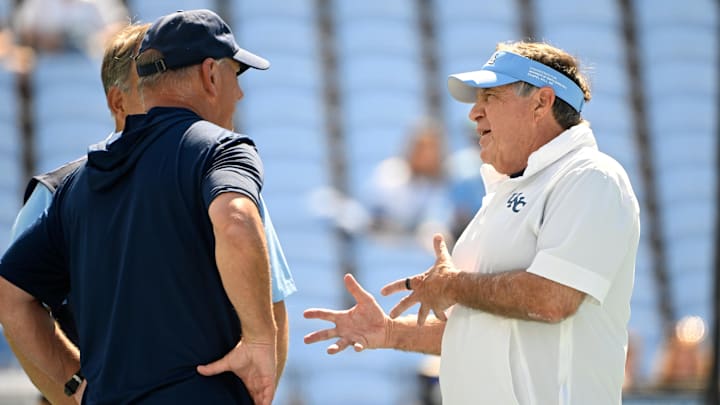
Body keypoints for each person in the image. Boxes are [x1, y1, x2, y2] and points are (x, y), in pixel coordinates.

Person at [304, 41, 640, 404]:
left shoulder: (591, 176)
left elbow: (551, 299)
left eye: (490, 97)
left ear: (542, 103)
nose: (473, 113)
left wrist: (453, 286)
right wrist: (388, 332)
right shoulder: (511, 188)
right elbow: (478, 327)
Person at [0, 9, 283, 404]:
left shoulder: (76, 184)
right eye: (236, 76)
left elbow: (11, 294)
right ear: (210, 75)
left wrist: (73, 389)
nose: (239, 94)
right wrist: (259, 340)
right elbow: (235, 220)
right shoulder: (220, 152)